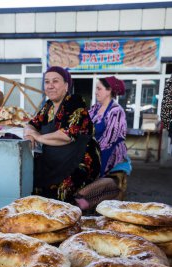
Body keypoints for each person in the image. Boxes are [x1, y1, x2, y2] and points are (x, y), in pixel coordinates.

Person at [24, 66, 101, 204]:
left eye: (55, 81)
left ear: (66, 85)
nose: (50, 86)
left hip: (78, 160)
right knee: (35, 187)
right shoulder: (48, 106)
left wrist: (38, 137)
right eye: (47, 82)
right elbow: (31, 124)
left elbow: (67, 136)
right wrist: (30, 134)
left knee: (61, 199)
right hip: (57, 159)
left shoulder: (75, 101)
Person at [75, 76, 132, 211]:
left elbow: (109, 142)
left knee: (109, 186)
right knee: (87, 194)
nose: (96, 92)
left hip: (113, 161)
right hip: (95, 155)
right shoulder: (95, 109)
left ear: (109, 91)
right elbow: (82, 127)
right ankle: (83, 205)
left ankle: (81, 199)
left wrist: (97, 168)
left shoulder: (116, 112)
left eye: (99, 89)